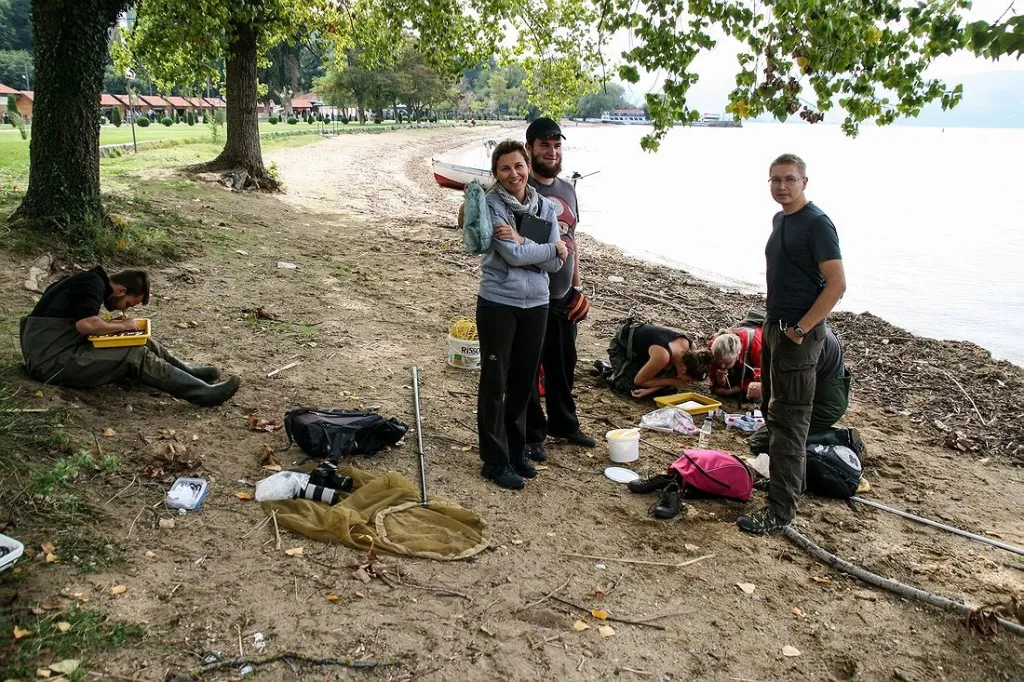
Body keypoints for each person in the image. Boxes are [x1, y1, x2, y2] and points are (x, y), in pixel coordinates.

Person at [736, 153, 847, 535]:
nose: (782, 186)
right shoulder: (781, 218)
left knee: (790, 423)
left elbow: (837, 285)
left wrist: (800, 329)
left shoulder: (817, 224)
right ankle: (790, 485)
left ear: (804, 182)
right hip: (774, 328)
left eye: (789, 179)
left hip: (798, 336)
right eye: (775, 180)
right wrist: (773, 323)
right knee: (772, 411)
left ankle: (781, 511)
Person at [475, 140, 568, 490]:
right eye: (504, 168)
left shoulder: (545, 206)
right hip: (499, 302)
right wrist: (544, 248)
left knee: (523, 382)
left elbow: (558, 261)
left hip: (538, 304)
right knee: (495, 381)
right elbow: (513, 256)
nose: (513, 174)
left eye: (518, 166)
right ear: (496, 173)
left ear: (527, 165)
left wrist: (527, 243)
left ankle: (516, 450)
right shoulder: (491, 204)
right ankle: (494, 460)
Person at [20, 266, 241, 407]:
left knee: (140, 339)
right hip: (49, 360)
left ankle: (190, 373)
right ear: (121, 291)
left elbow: (80, 322)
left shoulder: (90, 281)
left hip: (57, 348)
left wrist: (116, 326)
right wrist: (120, 325)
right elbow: (85, 325)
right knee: (134, 354)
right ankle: (203, 394)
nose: (122, 310)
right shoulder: (93, 284)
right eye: (126, 305)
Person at [521, 117, 596, 462]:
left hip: (564, 295)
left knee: (564, 364)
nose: (551, 152)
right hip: (532, 295)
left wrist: (578, 287)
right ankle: (534, 434)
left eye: (556, 146)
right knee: (530, 365)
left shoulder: (568, 189)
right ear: (530, 149)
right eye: (544, 145)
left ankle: (564, 424)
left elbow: (573, 240)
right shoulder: (521, 191)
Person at [597, 320, 712, 398]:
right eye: (687, 380)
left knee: (668, 390)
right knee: (630, 386)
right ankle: (608, 370)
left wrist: (649, 390)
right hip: (624, 346)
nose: (686, 383)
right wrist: (674, 381)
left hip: (647, 354)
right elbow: (639, 381)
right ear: (683, 370)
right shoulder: (663, 356)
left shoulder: (690, 349)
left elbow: (670, 375)